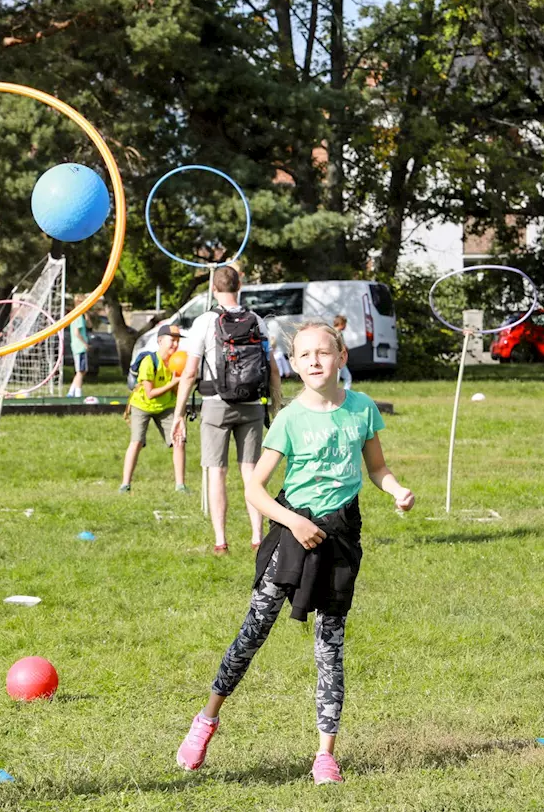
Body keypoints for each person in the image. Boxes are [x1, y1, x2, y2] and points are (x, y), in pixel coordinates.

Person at [174, 322, 415, 785]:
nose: (314, 362)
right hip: (292, 531)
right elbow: (254, 488)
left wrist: (397, 489)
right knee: (253, 631)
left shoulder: (362, 410)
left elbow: (378, 468)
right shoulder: (289, 418)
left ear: (342, 357)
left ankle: (325, 755)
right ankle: (206, 718)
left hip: (340, 535)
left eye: (323, 353)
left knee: (331, 646)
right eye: (304, 356)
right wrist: (293, 522)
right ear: (294, 365)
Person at [171, 266, 284, 553]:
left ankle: (221, 540)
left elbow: (189, 372)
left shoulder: (205, 322)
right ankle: (257, 536)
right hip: (252, 406)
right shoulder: (257, 320)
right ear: (240, 285)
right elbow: (272, 369)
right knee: (252, 473)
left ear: (213, 289)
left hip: (215, 405)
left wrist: (178, 413)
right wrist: (276, 404)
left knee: (216, 472)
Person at [121, 324, 188, 494]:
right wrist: (173, 383)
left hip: (166, 405)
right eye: (172, 340)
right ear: (160, 341)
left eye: (177, 341)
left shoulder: (178, 362)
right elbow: (150, 393)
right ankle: (125, 484)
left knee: (178, 440)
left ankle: (180, 485)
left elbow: (177, 390)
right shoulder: (149, 361)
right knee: (137, 441)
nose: (175, 345)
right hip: (142, 405)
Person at [67, 311, 91, 398]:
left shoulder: (81, 316)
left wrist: (87, 315)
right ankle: (78, 394)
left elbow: (89, 325)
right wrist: (84, 343)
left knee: (82, 371)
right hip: (79, 347)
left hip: (79, 347)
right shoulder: (78, 316)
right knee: (80, 371)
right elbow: (76, 332)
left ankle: (71, 392)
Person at [331, 315, 353, 389]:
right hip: (337, 359)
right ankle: (332, 395)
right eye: (345, 324)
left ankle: (346, 394)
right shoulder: (335, 333)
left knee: (348, 377)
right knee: (336, 378)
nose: (345, 326)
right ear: (341, 324)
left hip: (341, 359)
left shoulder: (338, 332)